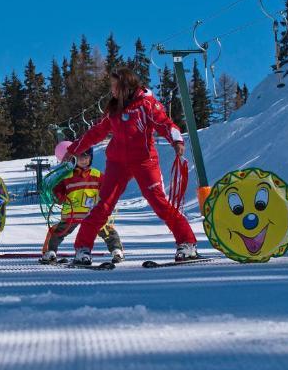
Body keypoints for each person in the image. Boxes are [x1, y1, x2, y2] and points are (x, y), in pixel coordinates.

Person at [66, 67, 199, 264]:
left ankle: (187, 244)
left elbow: (165, 123)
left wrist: (177, 141)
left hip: (144, 160)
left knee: (158, 201)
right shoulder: (114, 109)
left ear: (125, 86)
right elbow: (96, 132)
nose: (111, 90)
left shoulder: (146, 104)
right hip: (118, 162)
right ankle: (82, 249)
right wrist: (75, 148)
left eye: (114, 86)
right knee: (103, 205)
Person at [41, 148, 124, 263]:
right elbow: (57, 190)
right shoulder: (67, 176)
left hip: (92, 214)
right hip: (72, 213)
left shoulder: (98, 175)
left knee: (107, 231)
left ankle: (116, 251)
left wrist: (108, 200)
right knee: (58, 232)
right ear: (75, 158)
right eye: (80, 158)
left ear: (90, 158)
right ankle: (50, 252)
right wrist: (60, 197)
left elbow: (108, 189)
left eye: (86, 158)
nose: (83, 160)